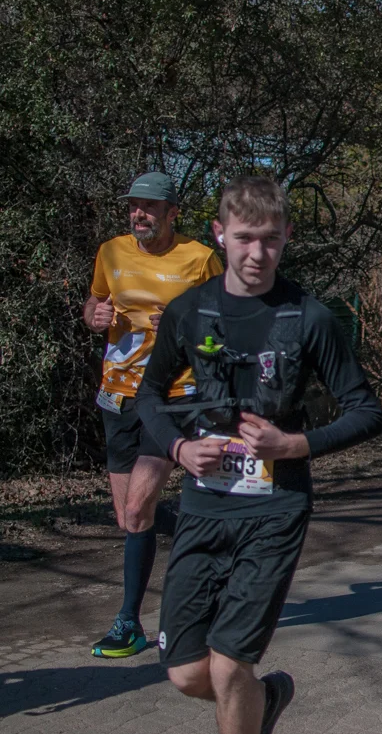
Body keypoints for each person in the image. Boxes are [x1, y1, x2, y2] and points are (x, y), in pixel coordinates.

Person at [135, 176, 382, 734]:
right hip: (203, 509)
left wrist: (292, 445)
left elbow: (366, 412)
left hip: (275, 509)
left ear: (287, 236)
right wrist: (178, 448)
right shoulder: (190, 312)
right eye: (245, 238)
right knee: (186, 673)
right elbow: (148, 396)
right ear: (220, 234)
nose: (258, 252)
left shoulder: (310, 317)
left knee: (229, 666)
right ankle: (266, 703)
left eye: (270, 239)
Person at [83, 172, 224, 659]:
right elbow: (94, 304)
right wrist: (94, 317)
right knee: (128, 516)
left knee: (140, 508)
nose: (138, 214)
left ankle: (129, 621)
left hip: (173, 395)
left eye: (149, 207)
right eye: (133, 207)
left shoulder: (200, 258)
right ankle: (208, 525)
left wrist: (188, 327)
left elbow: (223, 329)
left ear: (172, 213)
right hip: (117, 394)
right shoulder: (111, 252)